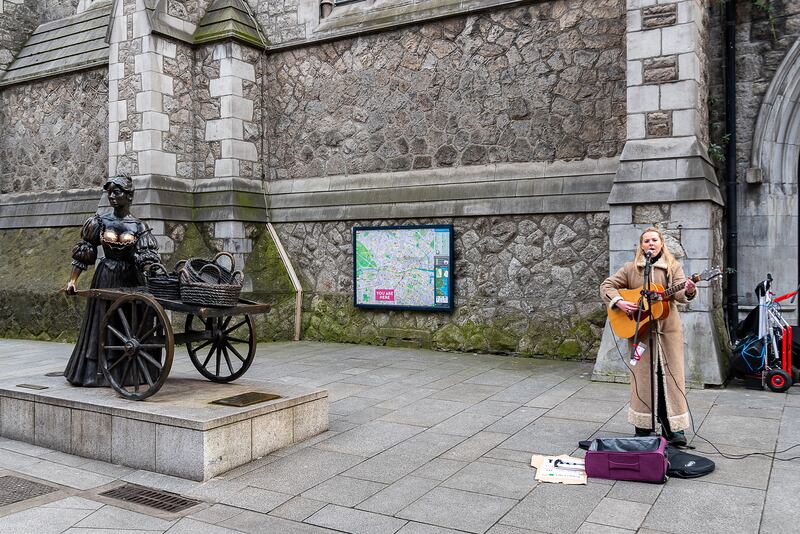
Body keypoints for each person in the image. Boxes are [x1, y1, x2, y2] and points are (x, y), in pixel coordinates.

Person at [599, 227, 696, 446]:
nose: (650, 243)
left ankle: (673, 429)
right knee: (642, 379)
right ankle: (642, 427)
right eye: (646, 241)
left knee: (669, 377)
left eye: (654, 240)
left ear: (661, 243)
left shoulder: (673, 267)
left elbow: (680, 295)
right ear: (641, 246)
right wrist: (620, 302)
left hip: (667, 333)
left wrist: (688, 289)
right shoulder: (631, 268)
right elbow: (607, 285)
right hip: (640, 333)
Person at [64, 174, 160, 386]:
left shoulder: (139, 226)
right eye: (110, 192)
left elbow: (147, 258)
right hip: (106, 276)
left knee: (129, 322)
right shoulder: (99, 222)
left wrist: (151, 270)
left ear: (129, 196)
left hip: (130, 279)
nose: (112, 196)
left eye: (117, 192)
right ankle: (97, 371)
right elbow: (84, 252)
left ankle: (130, 370)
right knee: (102, 320)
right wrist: (72, 281)